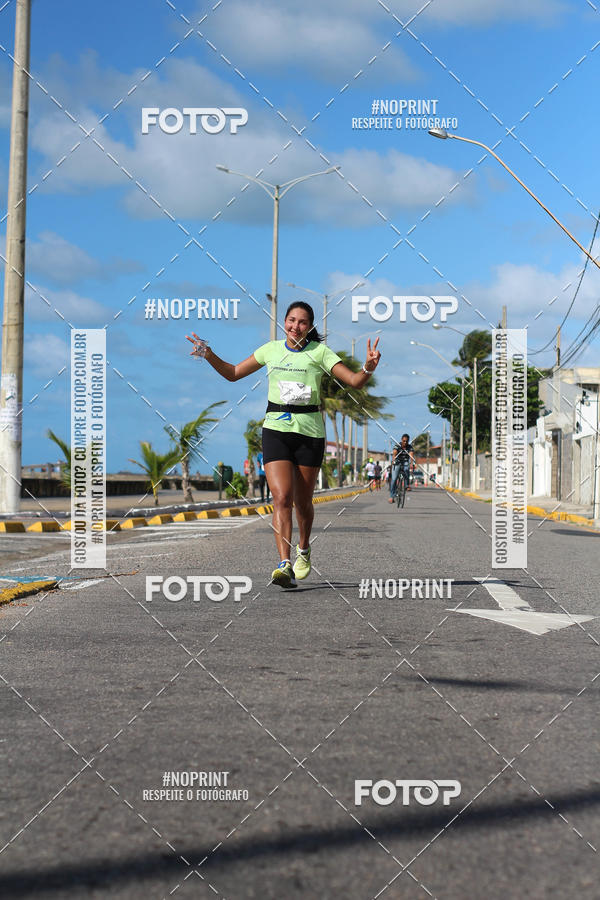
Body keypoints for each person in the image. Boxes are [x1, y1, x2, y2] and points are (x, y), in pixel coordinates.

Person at [186, 302, 381, 588]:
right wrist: (209, 354)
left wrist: (368, 367)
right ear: (284, 322)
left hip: (309, 434)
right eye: (291, 320)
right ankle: (283, 563)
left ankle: (303, 549)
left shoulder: (320, 353)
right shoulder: (270, 350)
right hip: (276, 430)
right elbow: (233, 372)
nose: (295, 326)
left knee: (303, 502)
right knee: (281, 497)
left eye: (302, 322)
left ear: (310, 327)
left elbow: (354, 381)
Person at [389, 434, 414, 503]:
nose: (405, 442)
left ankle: (406, 485)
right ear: (401, 440)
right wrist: (393, 460)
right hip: (397, 462)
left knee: (406, 469)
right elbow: (394, 453)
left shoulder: (409, 447)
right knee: (394, 480)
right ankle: (391, 496)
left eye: (406, 441)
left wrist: (411, 463)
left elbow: (411, 455)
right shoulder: (397, 446)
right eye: (404, 441)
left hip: (405, 462)